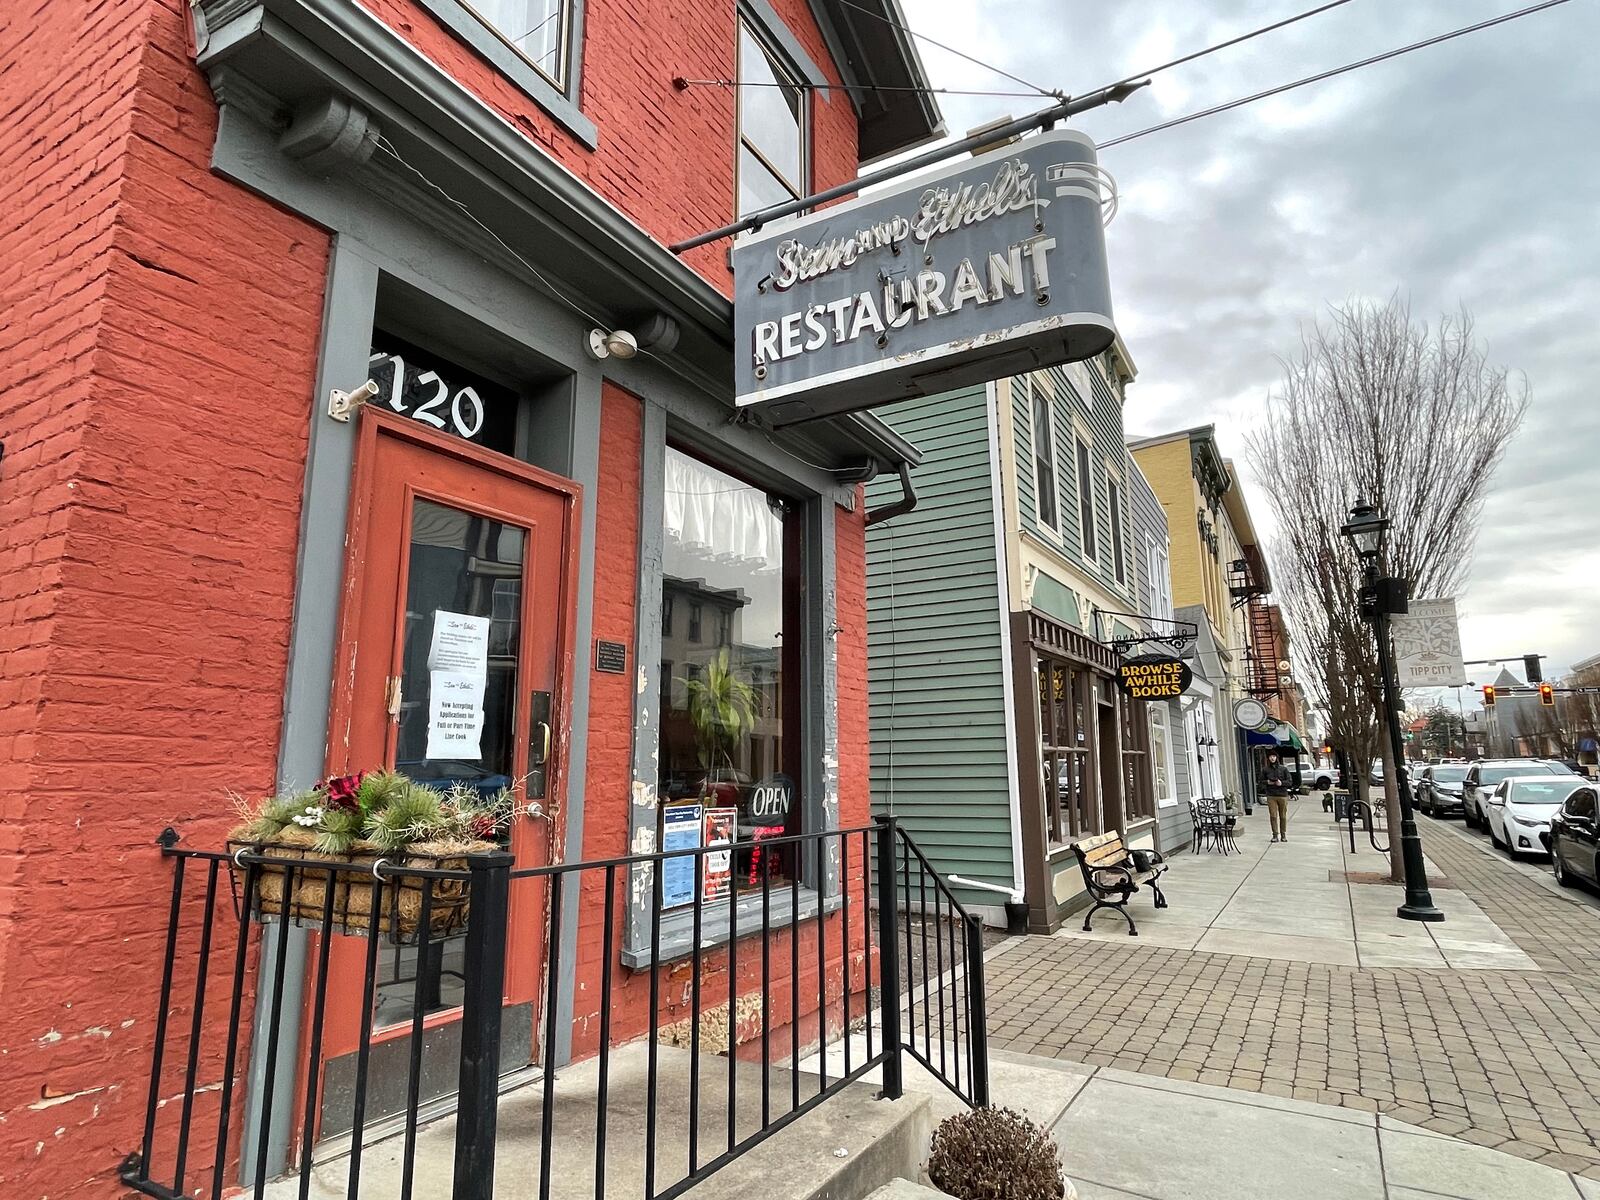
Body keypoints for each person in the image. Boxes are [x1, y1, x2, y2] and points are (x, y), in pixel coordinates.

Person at [1261, 752, 1293, 843]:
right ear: (1268, 758)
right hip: (1271, 795)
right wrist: (1268, 782)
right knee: (1273, 816)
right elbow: (1261, 782)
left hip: (1282, 795)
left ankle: (1283, 834)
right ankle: (1275, 834)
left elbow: (1290, 782)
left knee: (1283, 816)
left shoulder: (1283, 769)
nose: (1272, 758)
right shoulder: (1265, 770)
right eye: (1270, 756)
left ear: (1277, 757)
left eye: (1274, 756)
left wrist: (1281, 783)